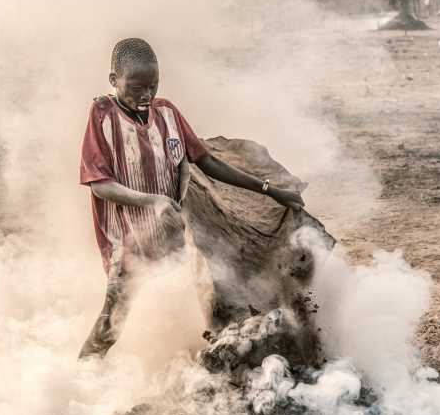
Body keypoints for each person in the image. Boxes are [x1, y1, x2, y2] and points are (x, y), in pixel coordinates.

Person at [78, 37, 305, 359]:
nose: (146, 95)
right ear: (114, 80)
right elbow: (100, 183)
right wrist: (152, 201)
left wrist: (271, 191)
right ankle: (83, 380)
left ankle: (231, 362)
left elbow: (207, 162)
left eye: (153, 86)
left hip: (175, 234)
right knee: (111, 324)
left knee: (221, 286)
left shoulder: (167, 113)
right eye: (136, 86)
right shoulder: (102, 115)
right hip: (129, 243)